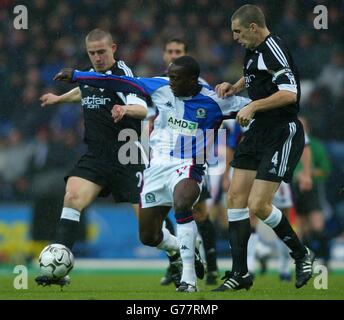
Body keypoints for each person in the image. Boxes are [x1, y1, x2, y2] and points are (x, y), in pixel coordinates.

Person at [54, 55, 251, 292]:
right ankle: (182, 246)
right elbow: (118, 83)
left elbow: (257, 107)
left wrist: (255, 102)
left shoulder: (215, 101)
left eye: (176, 78)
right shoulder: (160, 86)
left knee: (182, 202)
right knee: (148, 236)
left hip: (189, 164)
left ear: (192, 79)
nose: (172, 82)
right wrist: (77, 75)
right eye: (170, 76)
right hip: (156, 168)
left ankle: (189, 280)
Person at [35, 29, 150, 286]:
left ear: (114, 48)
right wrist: (58, 99)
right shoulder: (88, 76)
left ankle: (178, 258)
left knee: (149, 231)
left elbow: (142, 108)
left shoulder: (123, 75)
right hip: (97, 155)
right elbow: (83, 92)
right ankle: (60, 268)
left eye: (102, 52)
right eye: (92, 53)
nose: (97, 57)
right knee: (72, 196)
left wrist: (125, 109)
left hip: (127, 155)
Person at [214, 4, 315, 291]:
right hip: (260, 129)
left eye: (237, 31)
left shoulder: (273, 49)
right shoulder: (254, 50)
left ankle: (300, 253)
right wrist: (235, 87)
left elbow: (289, 92)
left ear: (253, 28)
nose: (234, 37)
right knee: (234, 198)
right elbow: (255, 76)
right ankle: (239, 273)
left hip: (282, 131)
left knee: (258, 205)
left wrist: (255, 104)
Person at [159, 38, 219, 286]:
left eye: (178, 51)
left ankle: (212, 266)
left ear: (185, 54)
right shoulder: (161, 85)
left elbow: (216, 114)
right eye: (170, 51)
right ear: (164, 55)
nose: (173, 55)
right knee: (164, 209)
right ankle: (176, 264)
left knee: (199, 211)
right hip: (163, 154)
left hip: (194, 153)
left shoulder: (201, 86)